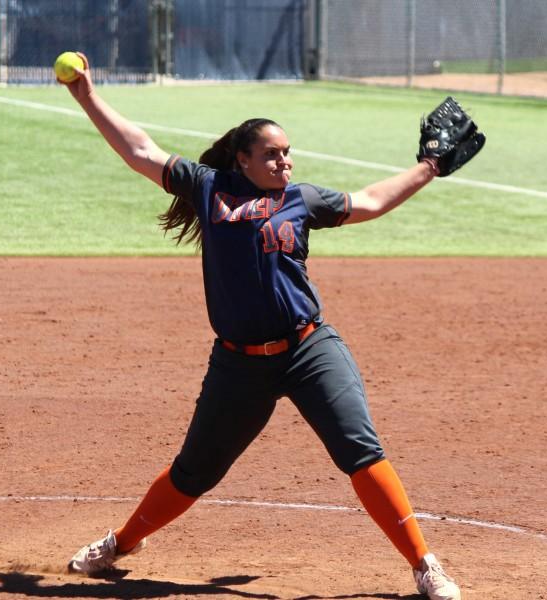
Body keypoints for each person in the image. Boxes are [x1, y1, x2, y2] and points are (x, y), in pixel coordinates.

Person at [60, 53, 462, 600]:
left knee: (360, 450)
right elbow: (140, 150)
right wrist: (86, 95)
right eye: (272, 155)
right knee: (194, 473)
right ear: (243, 159)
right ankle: (121, 543)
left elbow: (369, 202)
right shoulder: (207, 187)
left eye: (288, 153)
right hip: (238, 363)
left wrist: (429, 167)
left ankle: (425, 564)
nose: (284, 163)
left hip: (308, 347)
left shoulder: (302, 199)